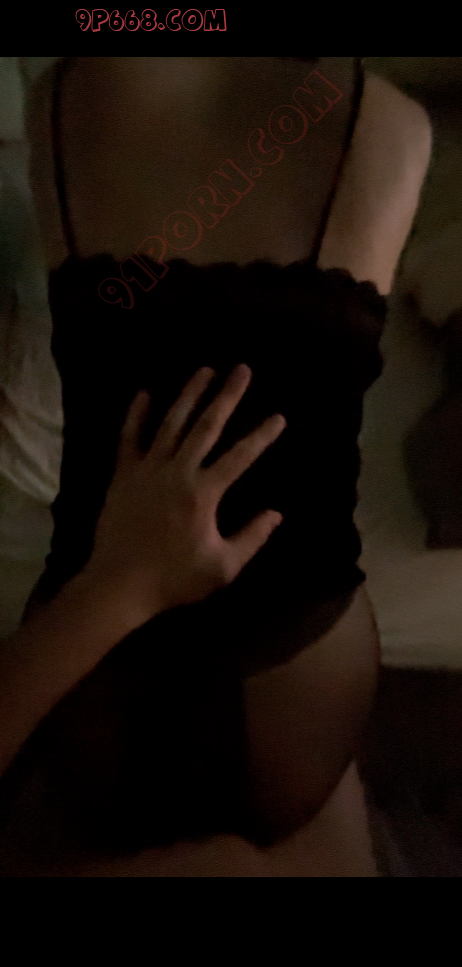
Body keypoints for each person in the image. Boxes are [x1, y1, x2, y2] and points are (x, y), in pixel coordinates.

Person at [0, 57, 432, 876]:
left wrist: (119, 586)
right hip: (285, 688)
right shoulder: (390, 122)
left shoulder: (65, 92)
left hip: (104, 682)